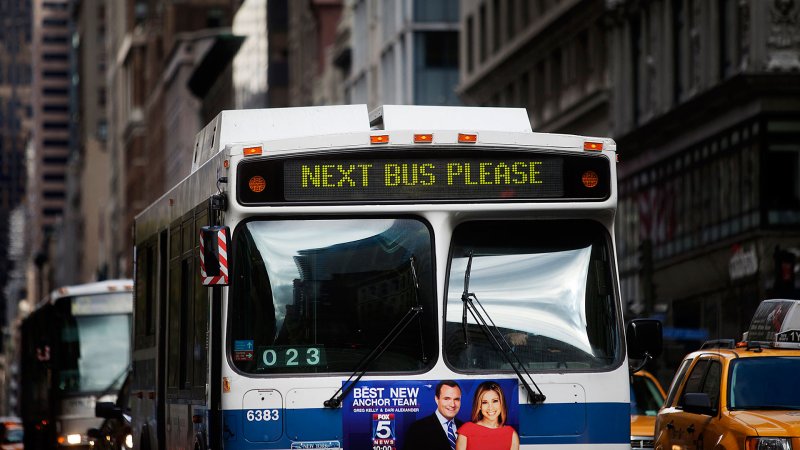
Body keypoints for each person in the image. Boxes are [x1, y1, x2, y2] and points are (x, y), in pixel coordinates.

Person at [456, 381, 519, 450]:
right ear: (479, 406)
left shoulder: (511, 434)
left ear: (501, 403)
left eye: (495, 401)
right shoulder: (466, 430)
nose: (490, 407)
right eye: (484, 402)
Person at [402, 380, 463, 450]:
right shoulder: (418, 429)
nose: (452, 404)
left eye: (456, 399)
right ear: (437, 399)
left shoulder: (464, 427)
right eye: (446, 399)